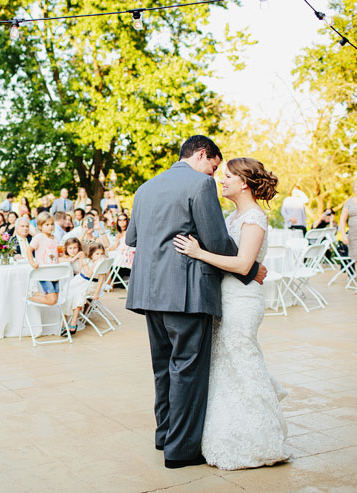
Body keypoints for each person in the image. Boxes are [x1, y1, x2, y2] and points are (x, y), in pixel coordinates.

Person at [125, 135, 265, 469]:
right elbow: (217, 240)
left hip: (149, 292)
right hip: (186, 294)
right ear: (202, 155)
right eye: (215, 166)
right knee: (187, 369)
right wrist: (252, 269)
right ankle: (181, 450)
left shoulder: (145, 188)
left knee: (163, 368)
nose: (215, 176)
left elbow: (132, 238)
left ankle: (164, 435)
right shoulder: (199, 185)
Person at [172, 156, 287, 470]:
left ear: (244, 183)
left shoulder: (254, 217)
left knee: (243, 359)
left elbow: (242, 264)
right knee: (226, 366)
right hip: (226, 297)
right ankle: (227, 435)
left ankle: (260, 438)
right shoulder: (231, 215)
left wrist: (198, 252)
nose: (221, 181)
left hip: (243, 300)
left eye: (227, 176)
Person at [63, 242, 108, 336]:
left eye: (101, 254)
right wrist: (90, 263)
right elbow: (85, 273)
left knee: (77, 295)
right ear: (91, 254)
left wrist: (96, 293)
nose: (100, 256)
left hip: (90, 285)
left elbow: (100, 279)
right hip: (80, 281)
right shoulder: (86, 260)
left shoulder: (101, 263)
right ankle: (64, 322)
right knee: (66, 294)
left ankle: (73, 322)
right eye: (97, 254)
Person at [27, 212, 61, 305]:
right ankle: (30, 297)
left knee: (55, 299)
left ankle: (35, 294)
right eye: (47, 225)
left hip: (55, 272)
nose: (50, 227)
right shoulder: (39, 237)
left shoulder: (55, 238)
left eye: (52, 224)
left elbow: (58, 253)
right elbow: (29, 250)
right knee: (52, 300)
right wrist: (32, 263)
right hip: (44, 272)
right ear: (40, 226)